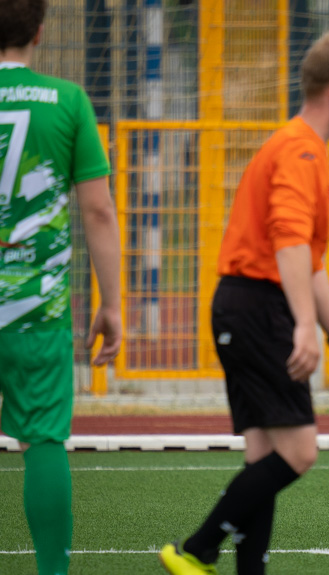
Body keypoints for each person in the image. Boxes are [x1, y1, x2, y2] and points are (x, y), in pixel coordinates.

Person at [159, 31, 329, 575]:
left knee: (264, 456)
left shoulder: (303, 146)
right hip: (258, 307)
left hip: (247, 306)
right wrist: (305, 325)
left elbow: (310, 260)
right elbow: (288, 242)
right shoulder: (302, 149)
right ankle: (195, 549)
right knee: (299, 452)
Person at [0, 1, 123, 573]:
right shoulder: (68, 101)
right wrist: (112, 304)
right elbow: (98, 211)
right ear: (41, 30)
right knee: (43, 442)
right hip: (34, 306)